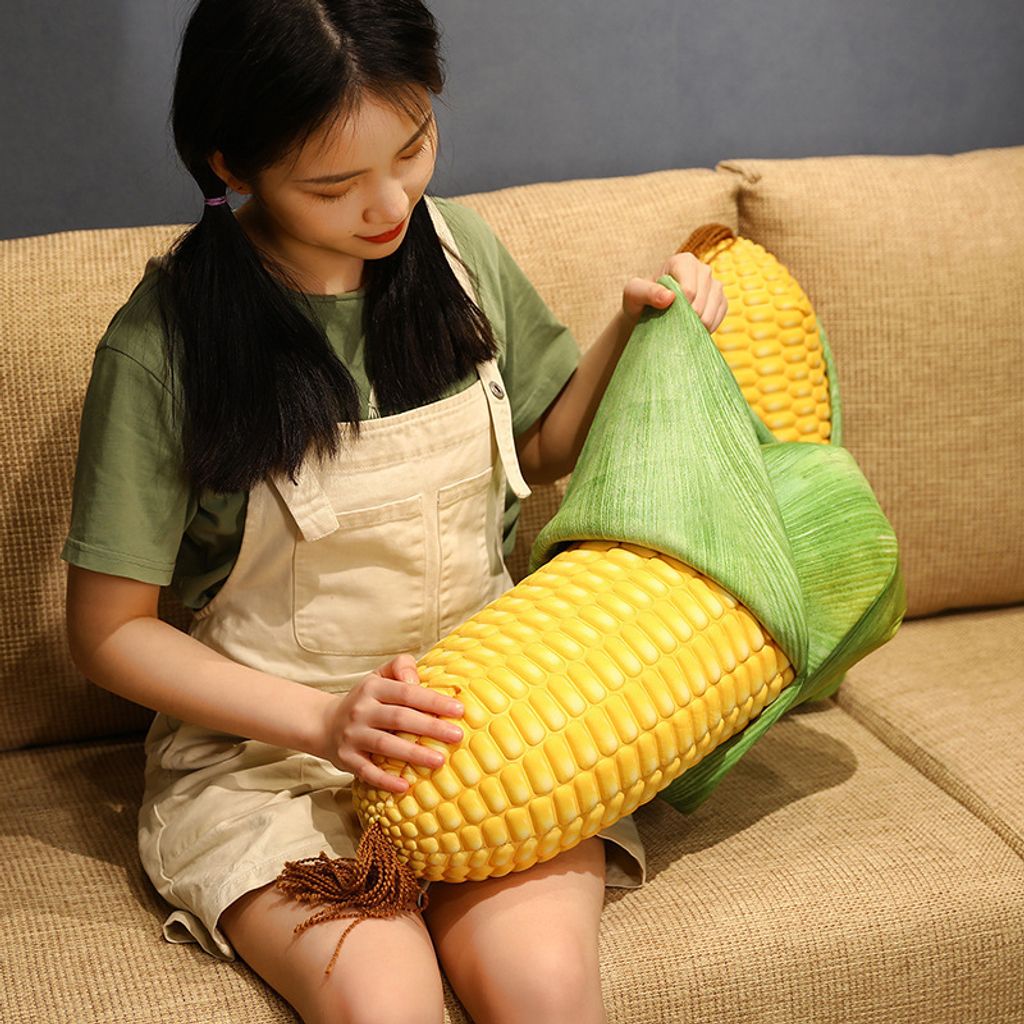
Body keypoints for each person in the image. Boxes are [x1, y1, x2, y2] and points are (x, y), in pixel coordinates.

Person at [61, 1, 727, 1022]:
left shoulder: (457, 251)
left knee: (546, 992)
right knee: (388, 1003)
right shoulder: (164, 345)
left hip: (495, 734)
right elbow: (109, 634)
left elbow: (544, 447)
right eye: (334, 184)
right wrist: (327, 723)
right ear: (231, 166)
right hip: (269, 762)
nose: (390, 204)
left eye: (414, 146)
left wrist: (643, 335)